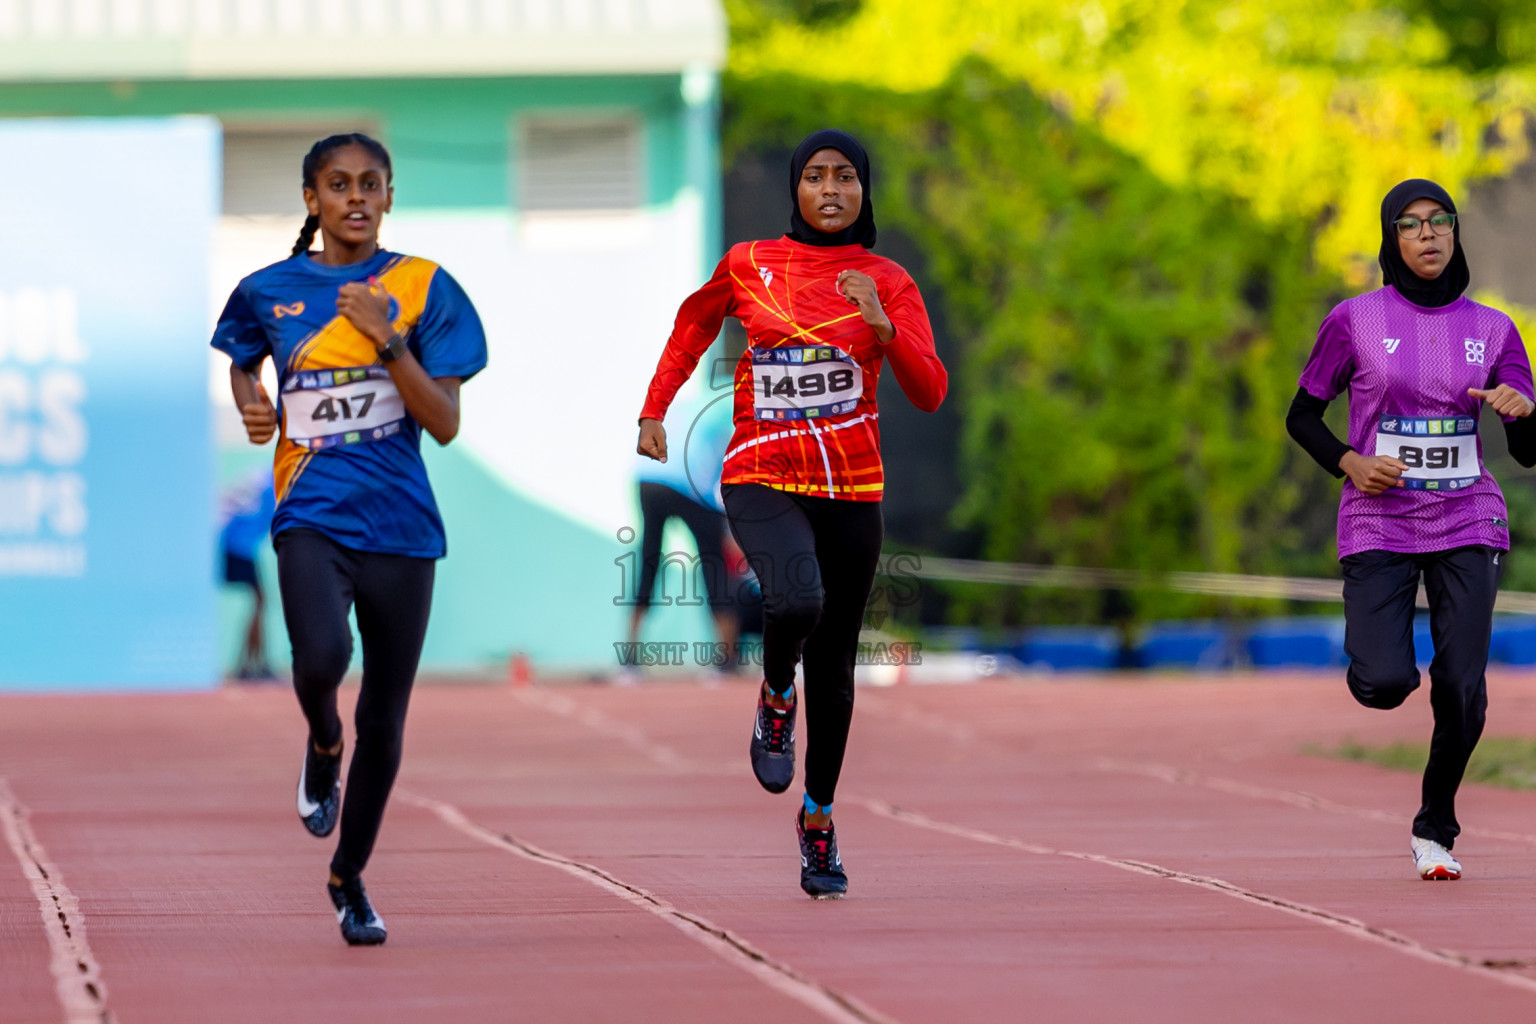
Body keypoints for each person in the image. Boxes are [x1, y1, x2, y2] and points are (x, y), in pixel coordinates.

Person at [636, 129, 947, 898]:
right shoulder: (750, 263)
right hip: (761, 473)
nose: (832, 188)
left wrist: (883, 326)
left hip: (851, 490)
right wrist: (654, 409)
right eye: (816, 176)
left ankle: (818, 818)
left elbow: (930, 389)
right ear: (796, 190)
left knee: (836, 670)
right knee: (796, 599)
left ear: (865, 191)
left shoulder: (888, 280)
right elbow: (692, 325)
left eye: (847, 176)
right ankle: (776, 695)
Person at [211, 133, 487, 943]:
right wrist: (251, 399)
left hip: (402, 527)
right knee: (322, 660)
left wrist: (387, 339)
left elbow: (442, 424)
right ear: (313, 201)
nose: (356, 197)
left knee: (389, 720)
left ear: (389, 196)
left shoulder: (424, 287)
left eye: (371, 183)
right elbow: (240, 358)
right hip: (312, 515)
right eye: (339, 185)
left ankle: (349, 876)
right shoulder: (271, 289)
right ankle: (322, 742)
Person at [1287, 178, 1536, 881]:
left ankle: (1436, 827)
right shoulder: (1354, 320)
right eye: (1410, 224)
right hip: (1379, 517)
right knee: (1385, 682)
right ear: (1391, 239)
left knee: (1461, 683)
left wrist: (1525, 412)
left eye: (1440, 222)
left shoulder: (1495, 329)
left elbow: (1527, 448)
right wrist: (1350, 462)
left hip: (1468, 516)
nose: (1428, 235)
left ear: (1457, 234)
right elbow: (1301, 416)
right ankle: (1376, 658)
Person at [625, 389, 739, 681]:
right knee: (714, 564)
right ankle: (726, 659)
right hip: (689, 485)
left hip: (647, 478)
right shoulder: (731, 409)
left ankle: (629, 659)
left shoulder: (690, 404)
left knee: (649, 559)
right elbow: (729, 467)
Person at [218, 467, 277, 680]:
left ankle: (249, 665)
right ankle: (252, 665)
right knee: (259, 601)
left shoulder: (263, 476)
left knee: (259, 602)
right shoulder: (275, 482)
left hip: (235, 544)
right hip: (237, 546)